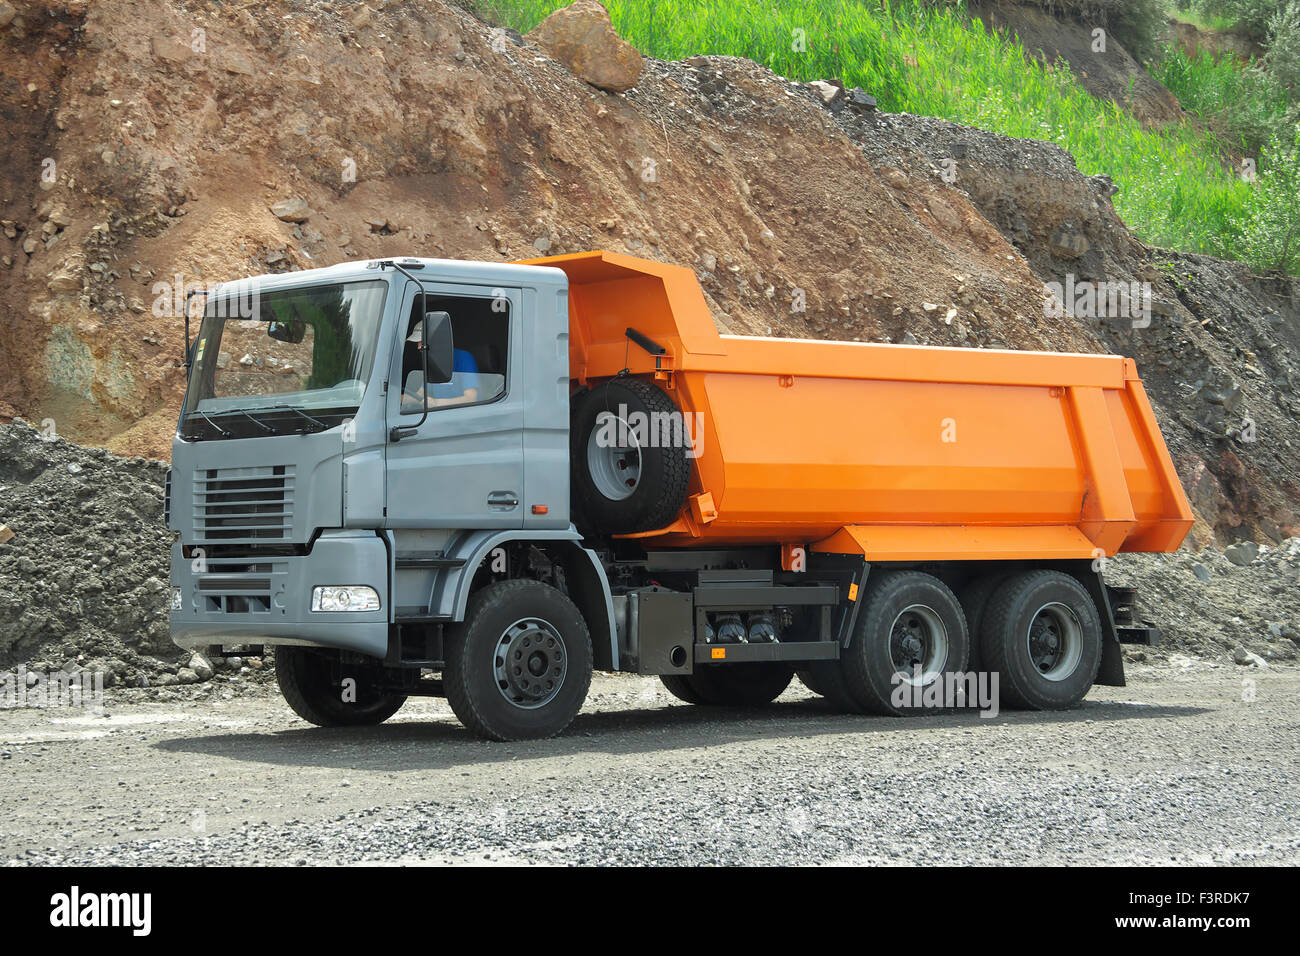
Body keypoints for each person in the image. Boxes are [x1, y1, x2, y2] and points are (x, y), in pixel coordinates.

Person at [402, 319, 480, 408]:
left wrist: (436, 403)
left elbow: (471, 398)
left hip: (464, 418)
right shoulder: (432, 362)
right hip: (439, 416)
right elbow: (420, 394)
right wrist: (399, 400)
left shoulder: (464, 358)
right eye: (418, 343)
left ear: (437, 339)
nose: (419, 346)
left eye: (422, 341)